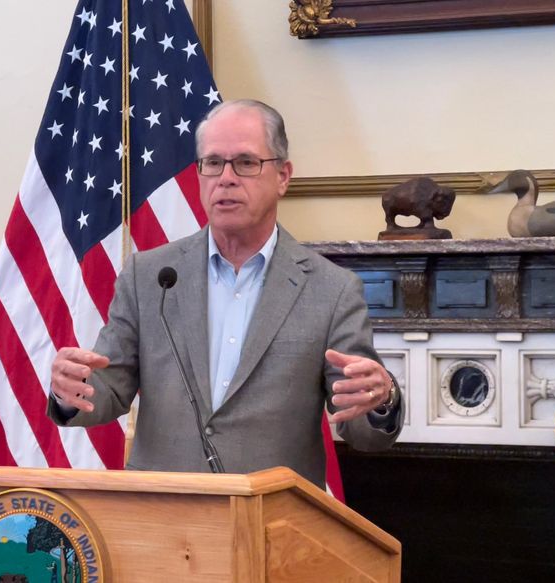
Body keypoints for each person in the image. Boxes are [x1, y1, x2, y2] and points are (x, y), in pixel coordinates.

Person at [48, 99, 403, 488]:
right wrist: (71, 390)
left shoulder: (331, 290)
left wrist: (381, 398)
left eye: (246, 163)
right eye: (213, 163)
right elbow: (108, 389)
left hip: (273, 513)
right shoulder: (149, 276)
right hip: (163, 507)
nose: (226, 178)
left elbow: (362, 427)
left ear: (283, 176)